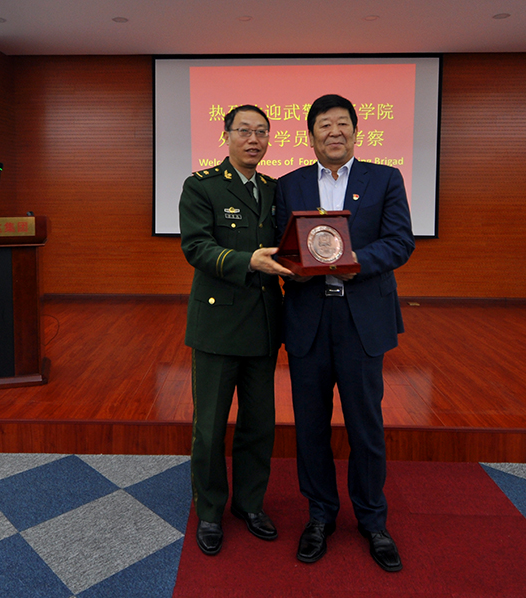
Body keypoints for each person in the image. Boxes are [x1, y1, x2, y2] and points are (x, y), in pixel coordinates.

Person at [274, 94, 415, 572]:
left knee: (365, 426)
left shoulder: (385, 178)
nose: (334, 132)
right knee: (310, 426)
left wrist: (352, 261)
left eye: (342, 124)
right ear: (310, 135)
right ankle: (320, 516)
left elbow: (400, 242)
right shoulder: (289, 185)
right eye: (324, 125)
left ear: (356, 131)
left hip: (361, 320)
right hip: (309, 318)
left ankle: (373, 520)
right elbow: (282, 247)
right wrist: (294, 265)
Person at [179, 105, 293, 556]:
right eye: (244, 131)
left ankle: (250, 504)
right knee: (209, 428)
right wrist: (248, 261)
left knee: (259, 424)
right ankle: (210, 511)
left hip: (263, 324)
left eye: (262, 132)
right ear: (226, 135)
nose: (253, 139)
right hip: (217, 326)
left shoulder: (274, 189)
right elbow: (197, 247)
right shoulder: (202, 185)